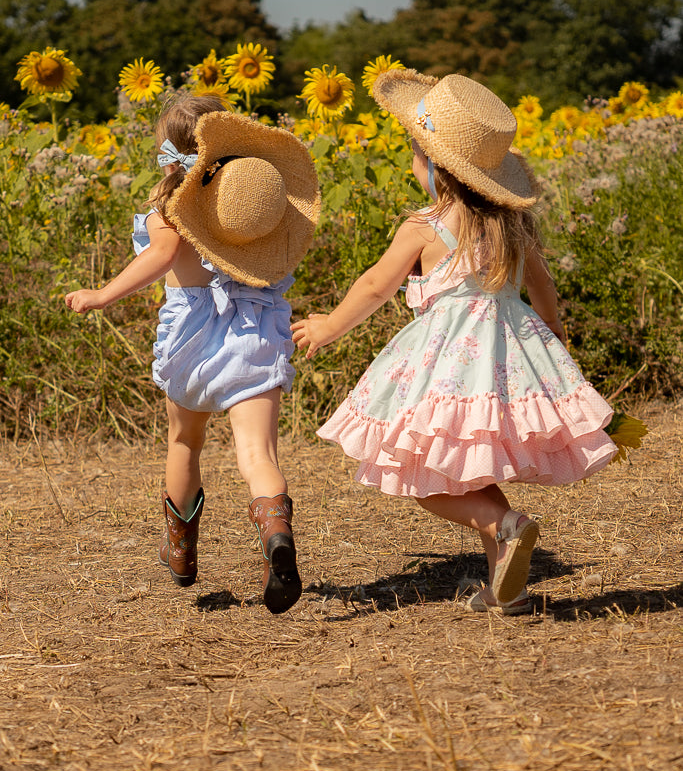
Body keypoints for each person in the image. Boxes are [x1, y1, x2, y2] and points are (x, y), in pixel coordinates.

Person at [291, 71, 617, 614]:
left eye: (416, 155)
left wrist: (328, 327)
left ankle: (507, 524)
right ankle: (504, 589)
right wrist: (555, 338)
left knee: (423, 476)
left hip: (447, 361)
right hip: (509, 358)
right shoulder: (513, 224)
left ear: (435, 166)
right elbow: (543, 286)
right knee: (475, 470)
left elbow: (375, 285)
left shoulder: (424, 227)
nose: (412, 163)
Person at [66, 94, 320, 614]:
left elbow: (161, 257)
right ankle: (277, 540)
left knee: (184, 442)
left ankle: (180, 553)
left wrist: (102, 294)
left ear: (170, 152)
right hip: (254, 333)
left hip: (192, 342)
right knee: (258, 455)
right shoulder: (250, 201)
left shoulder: (168, 211)